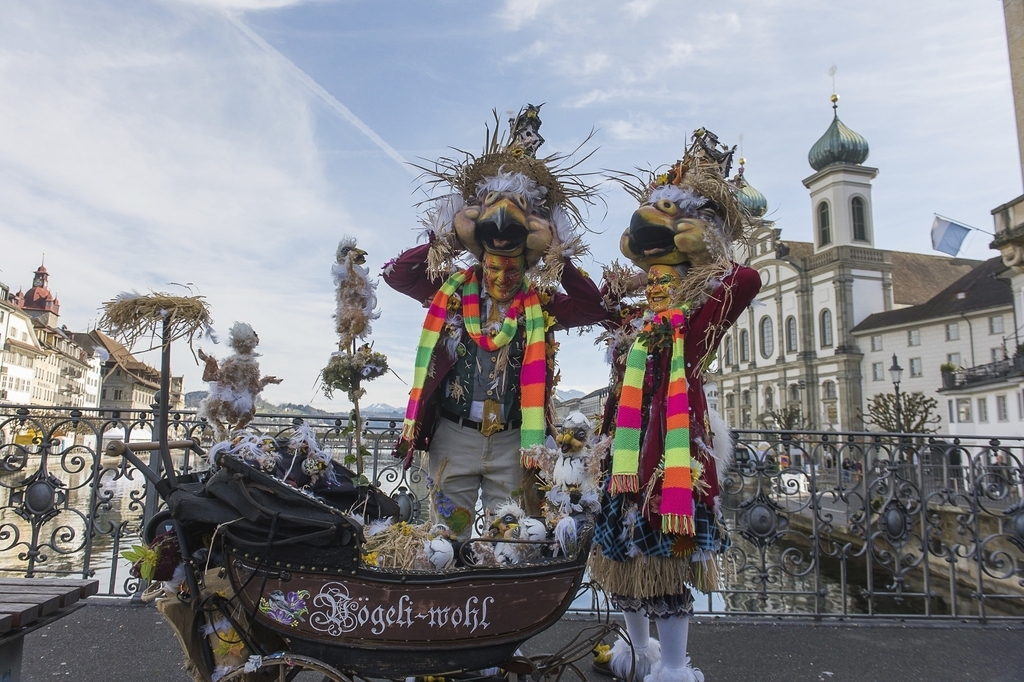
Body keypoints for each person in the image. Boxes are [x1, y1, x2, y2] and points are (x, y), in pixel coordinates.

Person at [384, 105, 606, 537]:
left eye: (512, 267)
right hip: (453, 436)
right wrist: (444, 237)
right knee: (450, 535)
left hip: (513, 441)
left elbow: (592, 308)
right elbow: (398, 275)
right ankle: (456, 604)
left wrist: (561, 257)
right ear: (479, 259)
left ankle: (498, 604)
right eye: (492, 266)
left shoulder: (539, 305)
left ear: (525, 264)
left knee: (511, 540)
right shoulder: (449, 295)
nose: (501, 276)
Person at [591, 129, 761, 682]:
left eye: (665, 281)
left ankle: (672, 665)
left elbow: (746, 278)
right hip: (624, 454)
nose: (656, 287)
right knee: (622, 568)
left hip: (672, 453)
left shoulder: (697, 319)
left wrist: (708, 243)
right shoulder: (634, 322)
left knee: (666, 567)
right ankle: (636, 654)